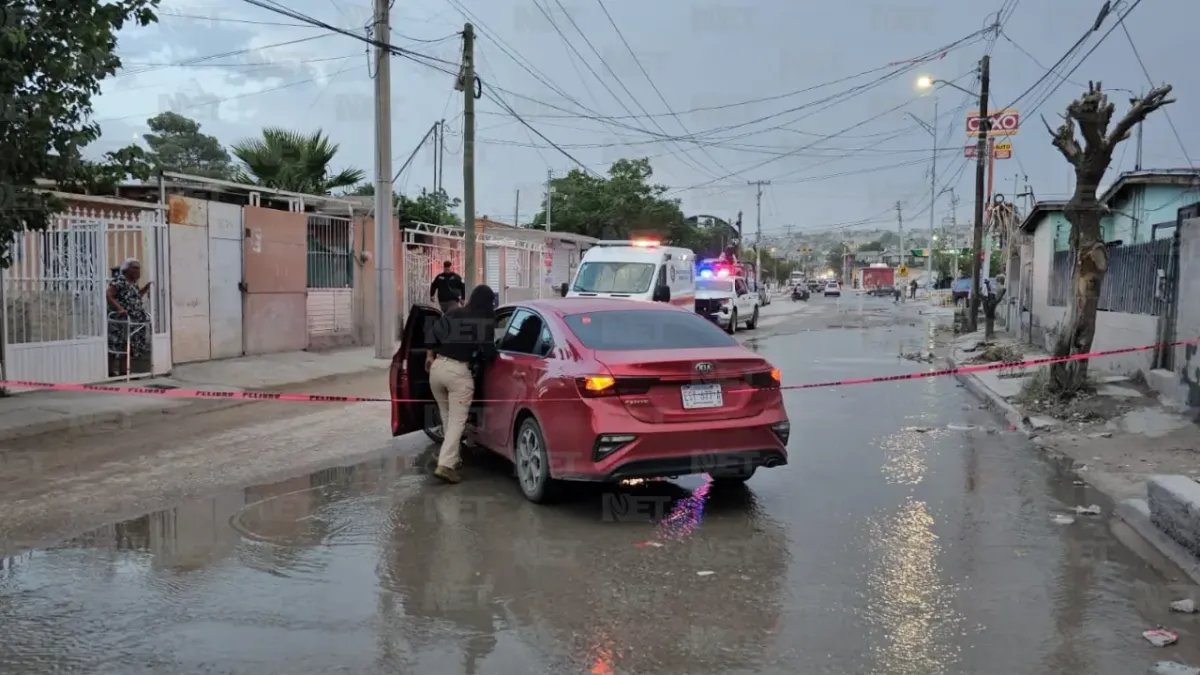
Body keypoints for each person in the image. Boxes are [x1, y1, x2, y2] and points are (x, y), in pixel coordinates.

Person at [424, 285, 498, 484]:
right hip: (458, 373)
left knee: (448, 417)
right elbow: (490, 352)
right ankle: (445, 465)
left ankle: (452, 459)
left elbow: (431, 334)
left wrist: (430, 355)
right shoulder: (484, 322)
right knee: (457, 421)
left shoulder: (455, 313)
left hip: (437, 369)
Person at [105, 258, 152, 375]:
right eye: (134, 268)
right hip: (120, 321)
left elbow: (136, 297)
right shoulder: (120, 281)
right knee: (115, 345)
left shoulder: (133, 283)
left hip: (132, 320)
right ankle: (110, 372)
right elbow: (108, 294)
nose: (137, 271)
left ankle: (123, 372)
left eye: (138, 268)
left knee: (127, 346)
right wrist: (120, 308)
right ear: (126, 269)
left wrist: (146, 288)